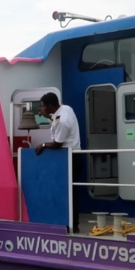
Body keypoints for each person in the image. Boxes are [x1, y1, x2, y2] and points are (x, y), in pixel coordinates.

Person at [34, 92, 82, 233]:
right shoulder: (66, 109)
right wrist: (48, 116)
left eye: (43, 106)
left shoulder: (62, 121)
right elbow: (56, 121)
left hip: (69, 157)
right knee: (68, 191)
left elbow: (57, 144)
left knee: (69, 192)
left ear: (50, 105)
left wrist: (42, 145)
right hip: (69, 157)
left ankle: (73, 224)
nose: (42, 108)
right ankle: (68, 221)